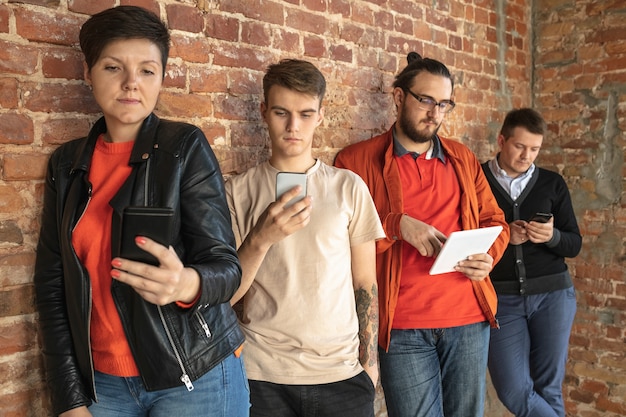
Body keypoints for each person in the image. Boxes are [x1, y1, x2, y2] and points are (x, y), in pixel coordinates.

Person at [33, 6, 249, 417]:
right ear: (88, 72)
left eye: (147, 71)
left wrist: (185, 283)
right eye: (114, 67)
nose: (132, 83)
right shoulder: (66, 165)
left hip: (195, 377)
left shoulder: (183, 148)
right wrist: (69, 399)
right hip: (103, 387)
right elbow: (52, 286)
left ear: (162, 78)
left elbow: (226, 267)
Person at [334, 52, 510, 417]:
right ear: (399, 97)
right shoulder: (355, 161)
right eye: (426, 100)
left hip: (468, 320)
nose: (436, 114)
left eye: (444, 104)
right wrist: (396, 225)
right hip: (402, 328)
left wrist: (488, 256)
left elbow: (496, 221)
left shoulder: (462, 158)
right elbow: (339, 236)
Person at [226, 58, 385, 417]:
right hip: (261, 374)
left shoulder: (348, 187)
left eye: (306, 114)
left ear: (321, 115)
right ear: (265, 112)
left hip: (341, 376)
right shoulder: (237, 192)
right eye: (282, 112)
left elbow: (365, 282)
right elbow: (228, 291)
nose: (294, 126)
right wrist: (261, 238)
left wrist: (369, 365)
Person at [482, 108, 582, 417]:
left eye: (535, 149)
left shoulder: (552, 183)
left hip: (553, 296)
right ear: (502, 140)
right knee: (514, 392)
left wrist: (551, 237)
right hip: (502, 299)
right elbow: (463, 236)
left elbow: (574, 244)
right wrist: (501, 237)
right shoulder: (477, 179)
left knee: (548, 388)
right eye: (519, 146)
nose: (527, 155)